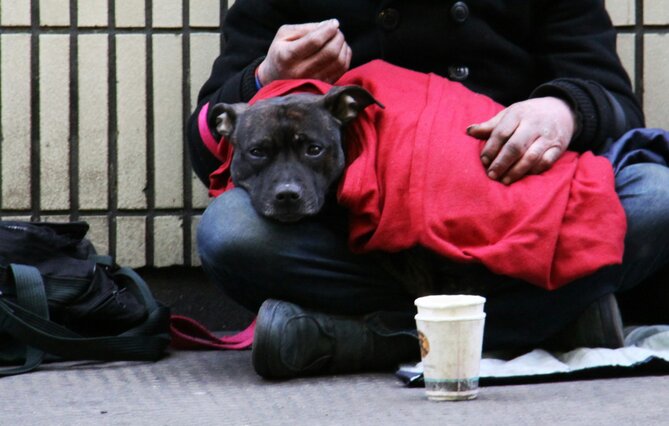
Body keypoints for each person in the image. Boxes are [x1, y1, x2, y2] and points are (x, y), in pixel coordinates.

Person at [187, 0, 669, 379]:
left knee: (657, 195)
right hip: (360, 231)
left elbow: (615, 102)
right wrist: (265, 77)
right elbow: (209, 142)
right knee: (230, 234)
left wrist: (561, 110)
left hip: (512, 201)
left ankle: (356, 338)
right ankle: (548, 318)